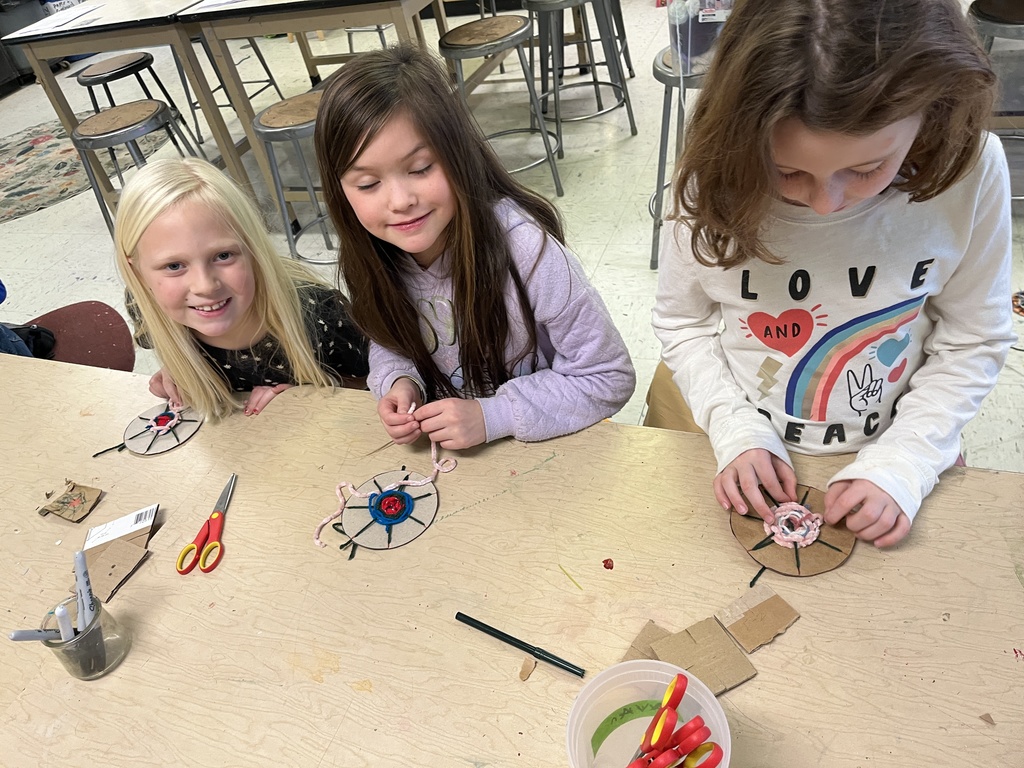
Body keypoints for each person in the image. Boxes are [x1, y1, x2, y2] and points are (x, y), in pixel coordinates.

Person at [652, 0, 1015, 548]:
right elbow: (682, 323)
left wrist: (906, 458)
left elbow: (974, 338)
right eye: (787, 171)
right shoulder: (714, 174)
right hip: (737, 438)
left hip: (900, 443)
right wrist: (735, 428)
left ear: (933, 111)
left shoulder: (971, 169)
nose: (827, 205)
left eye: (868, 168)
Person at [314, 43, 635, 450]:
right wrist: (399, 379)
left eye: (420, 168)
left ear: (458, 155)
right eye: (368, 184)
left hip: (547, 453)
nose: (399, 201)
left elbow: (609, 376)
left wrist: (493, 415)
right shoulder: (372, 254)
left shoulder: (527, 251)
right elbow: (388, 337)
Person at [113, 157, 369, 421]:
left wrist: (304, 400)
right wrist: (177, 366)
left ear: (253, 250)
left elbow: (371, 385)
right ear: (139, 274)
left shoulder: (322, 312)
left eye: (223, 256)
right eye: (174, 265)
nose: (205, 285)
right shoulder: (144, 304)